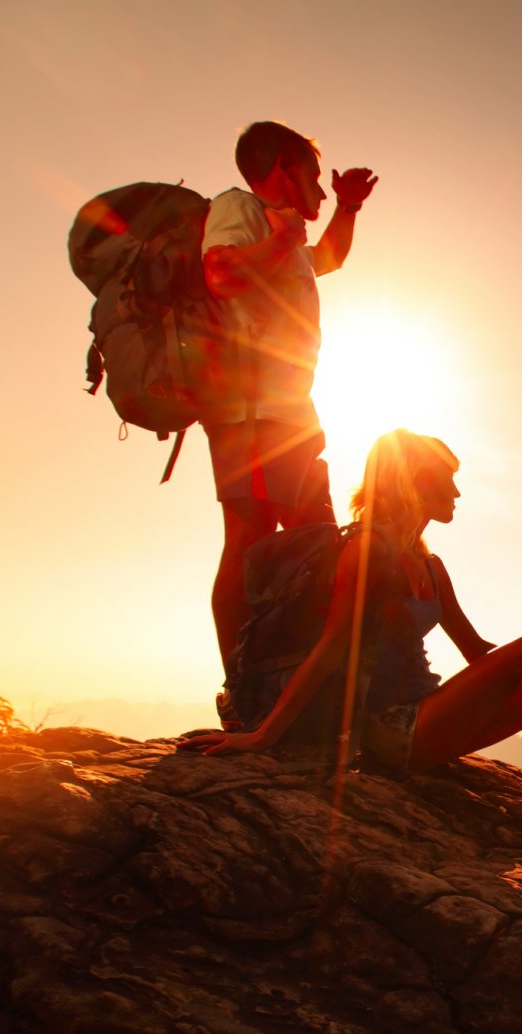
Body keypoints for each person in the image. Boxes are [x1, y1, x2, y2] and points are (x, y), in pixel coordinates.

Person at [180, 429, 522, 871]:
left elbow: (476, 651)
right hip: (386, 733)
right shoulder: (367, 550)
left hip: (425, 719)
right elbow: (332, 649)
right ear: (415, 481)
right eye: (447, 478)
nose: (458, 491)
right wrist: (264, 736)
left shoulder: (428, 566)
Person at [201, 120, 378, 688]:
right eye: (315, 178)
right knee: (248, 540)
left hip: (291, 411)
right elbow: (221, 274)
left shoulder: (285, 231)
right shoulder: (239, 208)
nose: (321, 191)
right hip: (248, 410)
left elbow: (328, 257)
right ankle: (241, 687)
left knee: (316, 539)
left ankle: (307, 681)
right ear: (283, 166)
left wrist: (347, 208)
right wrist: (282, 237)